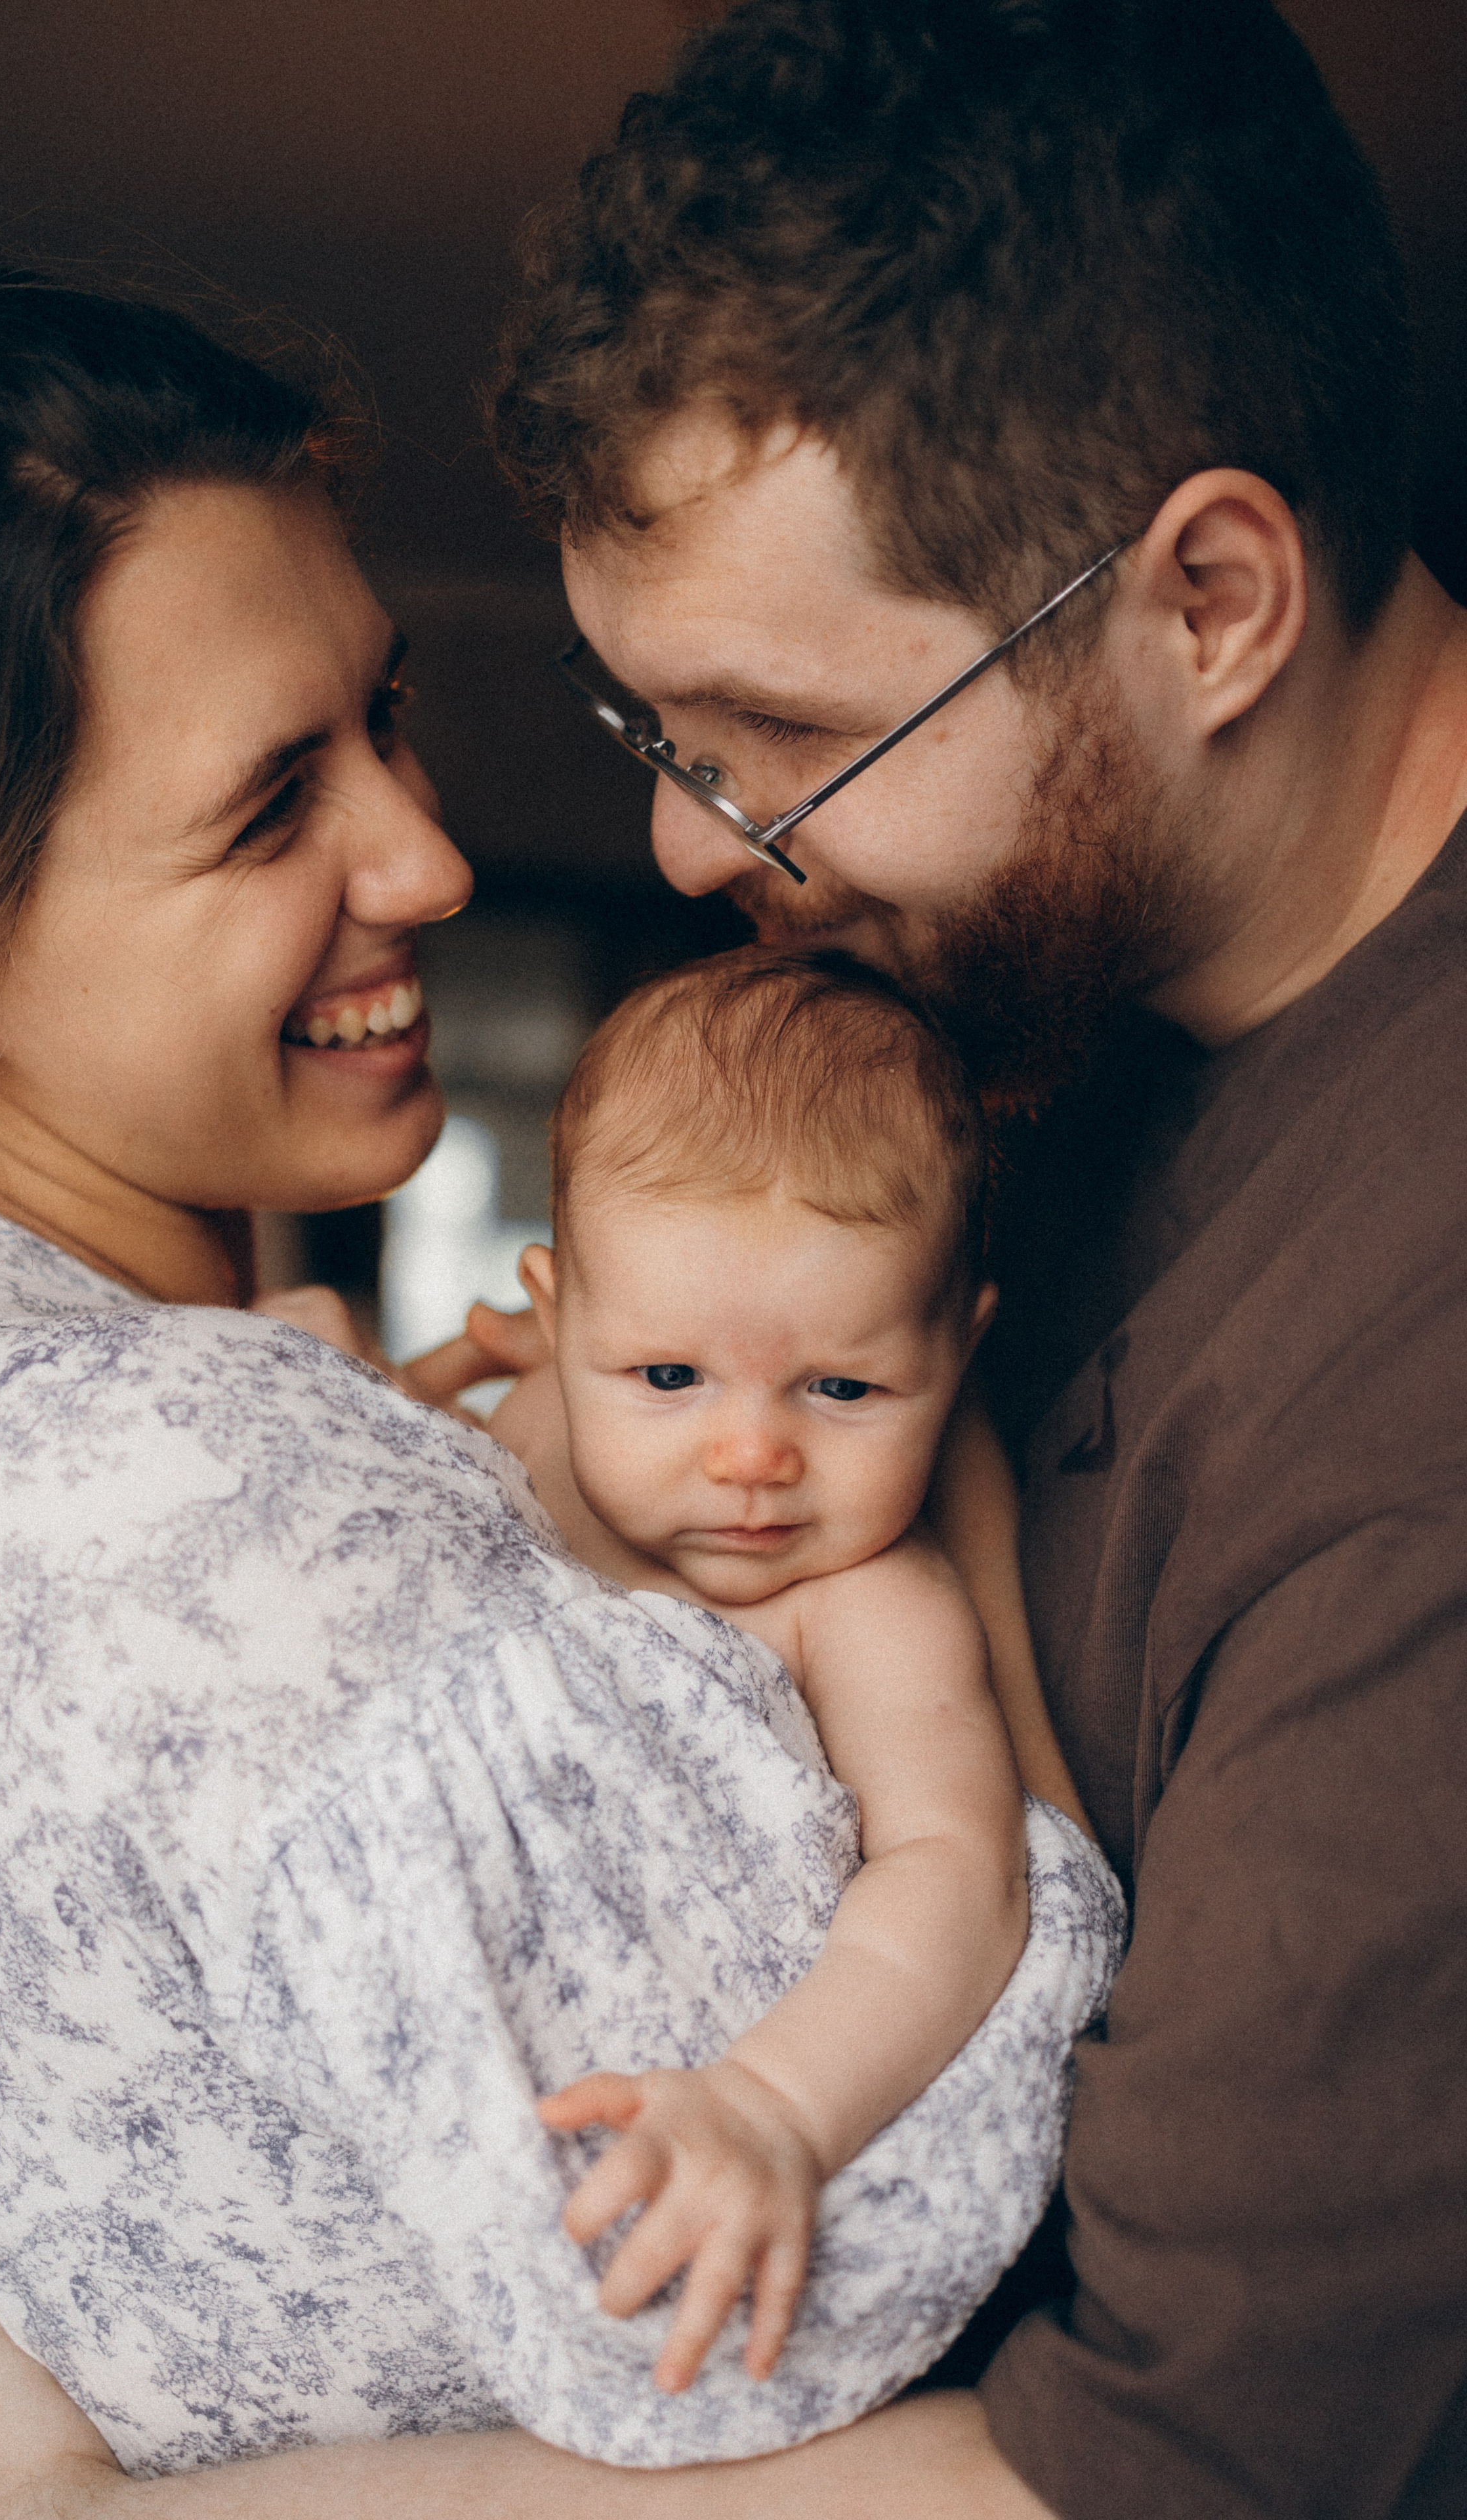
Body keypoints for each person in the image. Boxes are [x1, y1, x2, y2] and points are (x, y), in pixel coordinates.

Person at [0, 0, 1467, 2513]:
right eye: (658, 745)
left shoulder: (1416, 1400)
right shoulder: (1027, 1001)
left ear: (1215, 602)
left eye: (787, 738)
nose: (699, 856)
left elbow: (1169, 2473)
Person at [0, 231, 1119, 2496]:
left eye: (383, 715)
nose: (423, 853)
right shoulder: (156, 1481)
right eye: (265, 803)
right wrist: (938, 1469)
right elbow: (868, 2209)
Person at [503, 946, 1099, 2393]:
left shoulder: (871, 1611)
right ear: (553, 1316)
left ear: (954, 1355)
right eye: (665, 1380)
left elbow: (954, 1880)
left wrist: (774, 2105)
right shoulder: (521, 1445)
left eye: (841, 1389)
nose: (751, 1455)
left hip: (719, 2116)